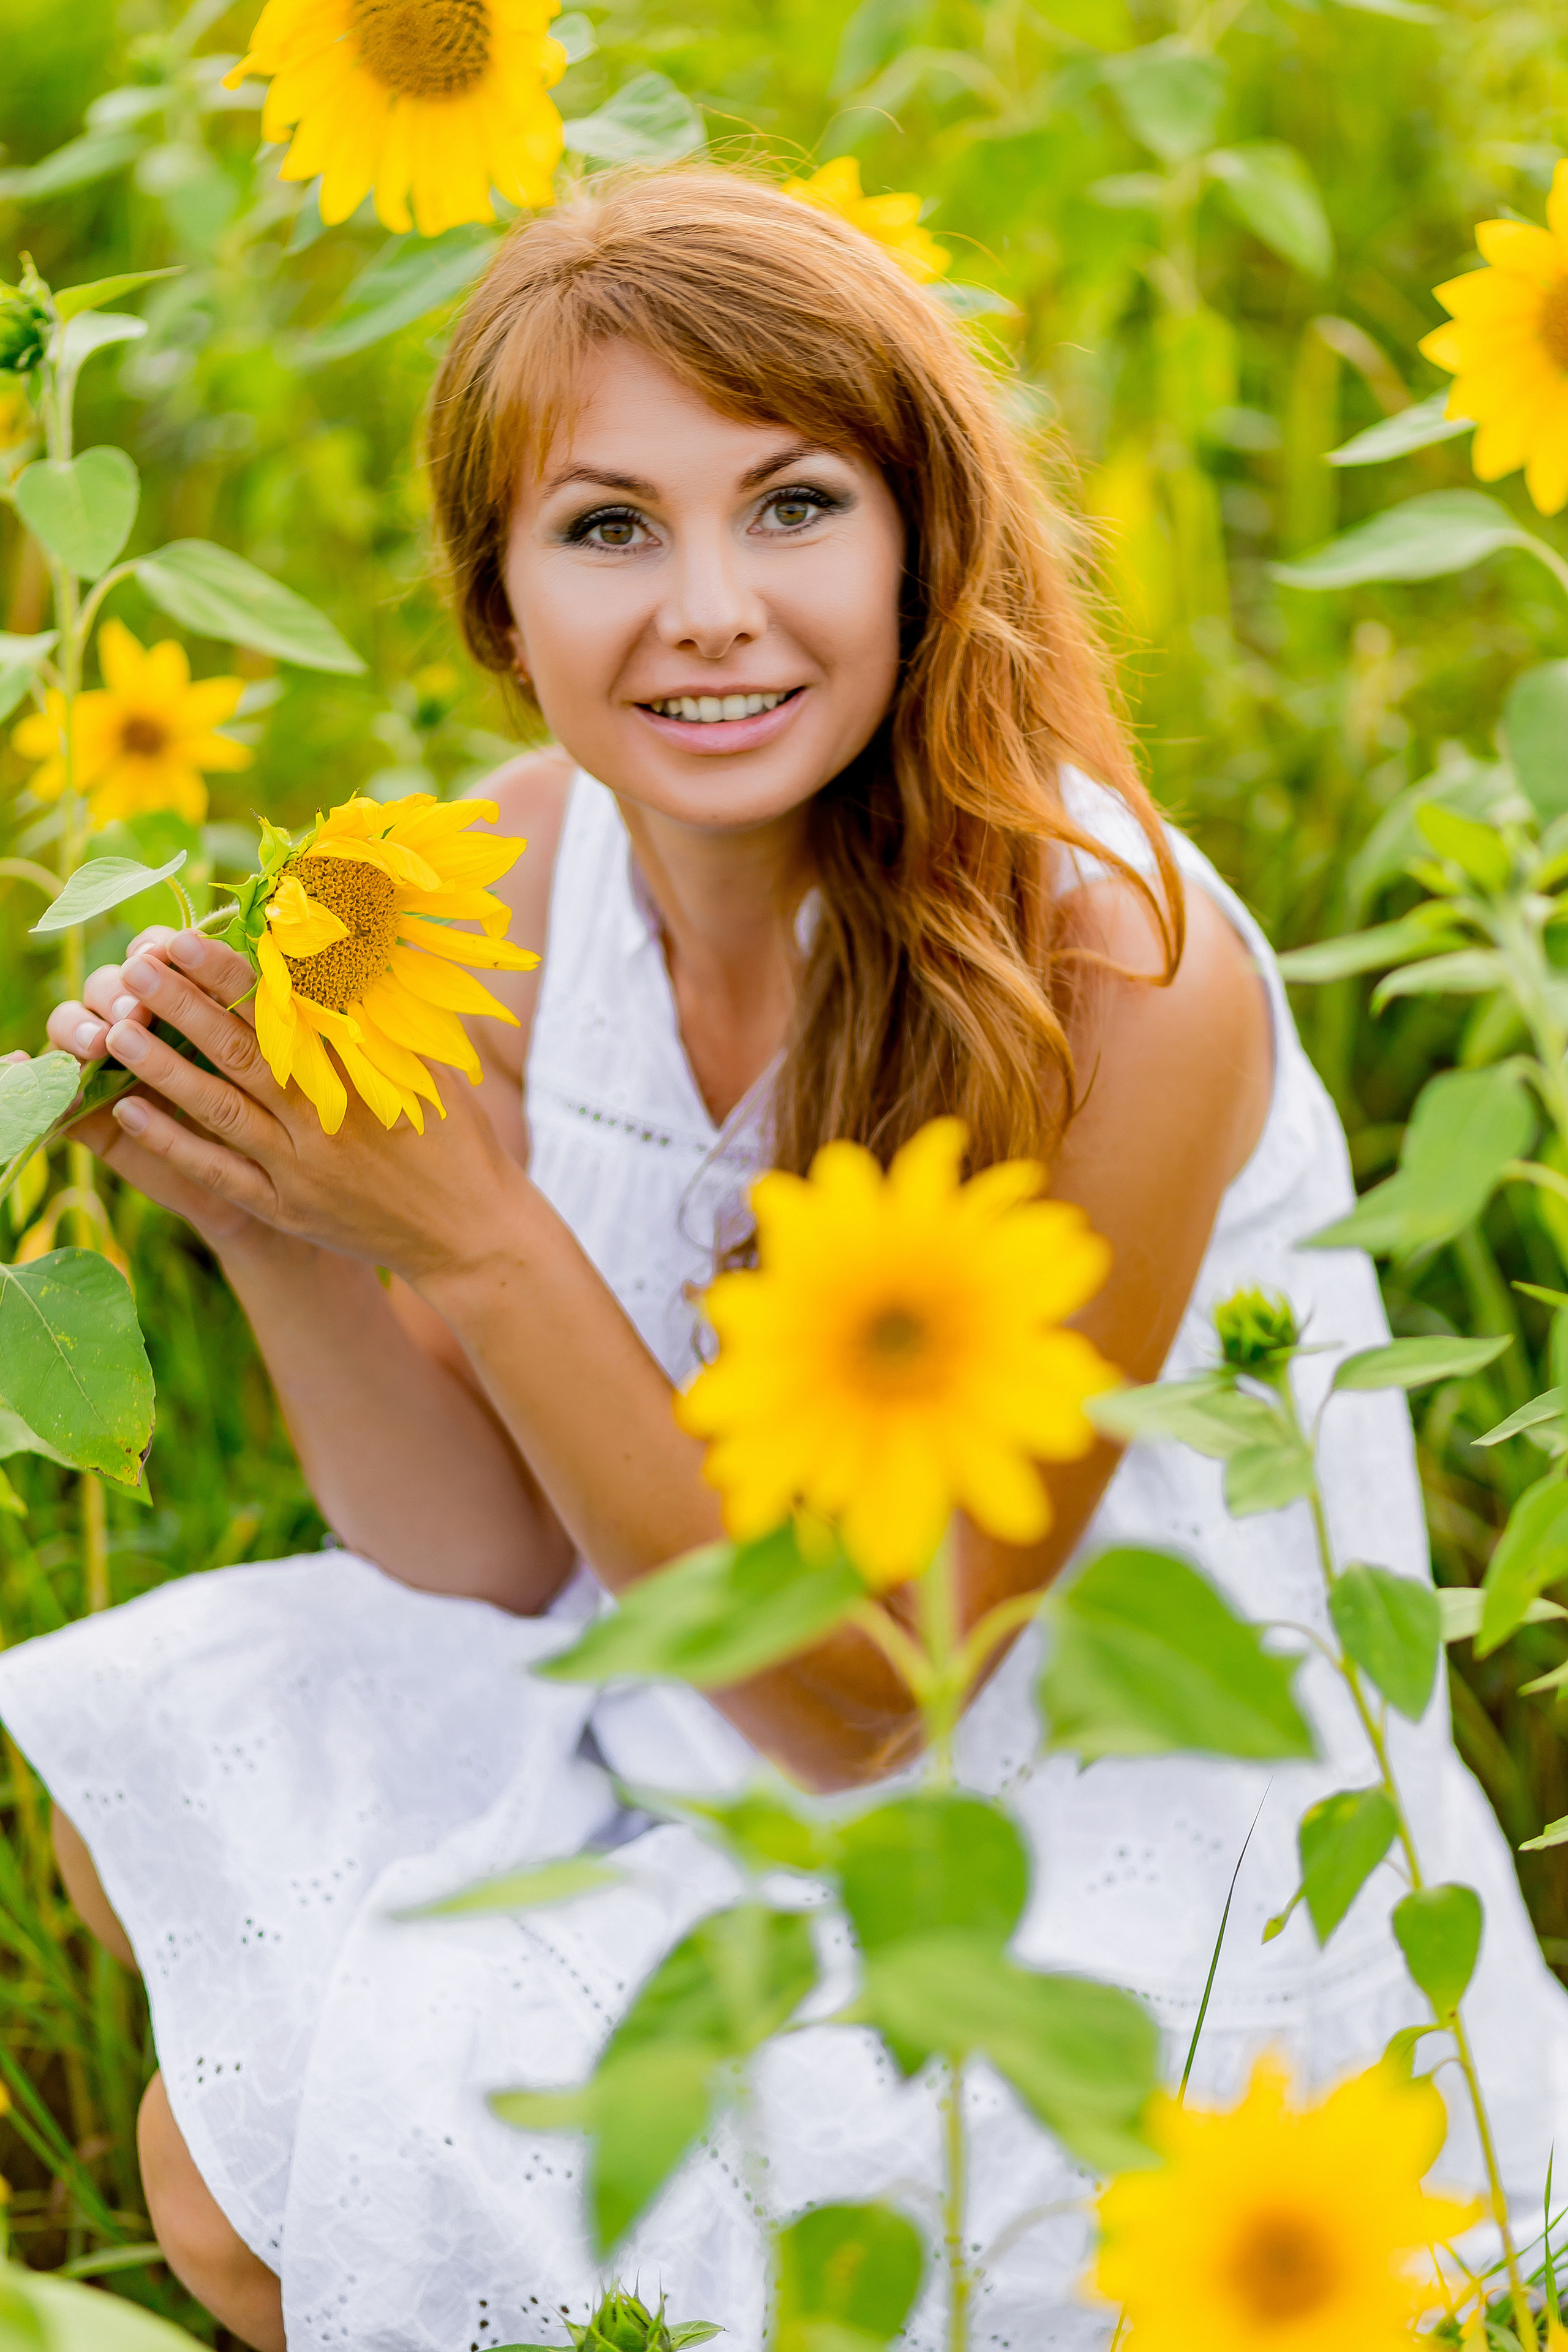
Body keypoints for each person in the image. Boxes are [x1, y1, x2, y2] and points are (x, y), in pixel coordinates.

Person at [5, 167, 1566, 2352]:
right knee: (157, 1808)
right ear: (497, 605)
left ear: (924, 547)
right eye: (609, 527)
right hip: (679, 1661)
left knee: (252, 2158)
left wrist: (473, 1229)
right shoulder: (509, 878)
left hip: (1073, 1814)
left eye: (796, 505)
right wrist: (276, 1225)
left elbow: (867, 1702)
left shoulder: (1114, 959)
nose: (712, 607)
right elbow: (480, 1555)